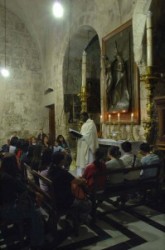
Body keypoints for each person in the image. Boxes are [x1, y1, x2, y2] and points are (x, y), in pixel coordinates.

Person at [0, 153, 45, 249]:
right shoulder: (9, 178)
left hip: (4, 206)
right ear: (12, 164)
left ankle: (29, 231)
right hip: (6, 210)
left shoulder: (4, 174)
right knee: (36, 213)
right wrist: (36, 194)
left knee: (31, 205)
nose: (19, 162)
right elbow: (23, 188)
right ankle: (37, 243)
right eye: (17, 161)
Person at [48, 151, 91, 224]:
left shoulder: (51, 170)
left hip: (55, 197)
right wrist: (83, 180)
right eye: (64, 158)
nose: (65, 160)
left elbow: (71, 179)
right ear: (61, 161)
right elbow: (78, 181)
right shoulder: (63, 172)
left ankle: (73, 216)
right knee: (88, 204)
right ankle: (81, 220)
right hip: (64, 201)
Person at [106, 43, 130, 112]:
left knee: (119, 91)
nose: (114, 53)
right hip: (114, 78)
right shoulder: (113, 63)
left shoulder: (120, 61)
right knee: (112, 92)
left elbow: (122, 68)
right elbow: (109, 70)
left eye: (115, 51)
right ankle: (114, 104)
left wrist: (118, 57)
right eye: (114, 52)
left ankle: (119, 103)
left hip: (119, 77)